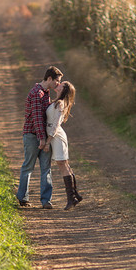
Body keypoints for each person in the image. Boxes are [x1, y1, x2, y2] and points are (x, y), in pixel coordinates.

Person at [17, 66, 63, 209]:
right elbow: (37, 118)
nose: (58, 84)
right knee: (28, 167)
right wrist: (43, 140)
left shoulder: (46, 93)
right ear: (49, 78)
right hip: (32, 136)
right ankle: (23, 198)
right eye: (57, 81)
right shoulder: (37, 93)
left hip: (42, 136)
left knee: (46, 168)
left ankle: (46, 200)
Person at [44, 81, 83, 210]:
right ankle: (75, 194)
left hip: (56, 137)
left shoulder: (60, 103)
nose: (59, 84)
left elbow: (55, 125)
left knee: (62, 164)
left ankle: (71, 198)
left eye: (62, 84)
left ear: (64, 89)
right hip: (54, 136)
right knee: (64, 164)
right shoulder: (57, 101)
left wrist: (48, 141)